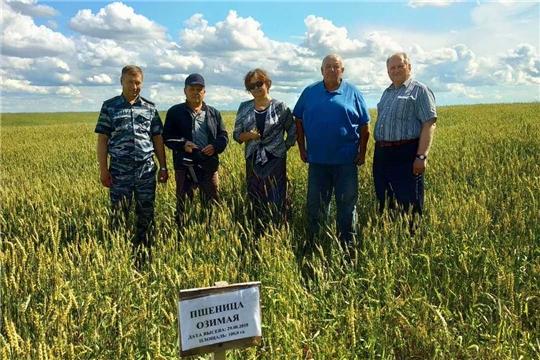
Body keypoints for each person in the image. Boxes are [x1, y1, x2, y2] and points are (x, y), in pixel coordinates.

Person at [293, 54, 370, 247]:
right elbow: (298, 121)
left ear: (342, 71)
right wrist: (302, 148)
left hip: (346, 162)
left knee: (346, 206)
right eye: (328, 66)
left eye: (336, 67)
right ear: (321, 70)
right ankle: (317, 244)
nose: (332, 70)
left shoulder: (353, 92)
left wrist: (362, 152)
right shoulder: (310, 92)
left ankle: (347, 246)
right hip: (318, 161)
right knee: (316, 205)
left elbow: (365, 126)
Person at [95, 65, 168, 266]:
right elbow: (102, 139)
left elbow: (157, 138)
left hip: (146, 170)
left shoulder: (149, 107)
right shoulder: (109, 107)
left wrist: (163, 167)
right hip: (119, 171)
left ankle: (145, 256)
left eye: (138, 83)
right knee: (118, 215)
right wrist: (104, 169)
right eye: (130, 82)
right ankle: (118, 258)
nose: (134, 86)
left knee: (146, 214)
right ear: (121, 82)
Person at [373, 52, 437, 225]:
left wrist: (421, 156)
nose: (395, 70)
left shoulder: (419, 90)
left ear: (409, 67)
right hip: (382, 154)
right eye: (391, 67)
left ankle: (413, 242)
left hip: (406, 153)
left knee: (410, 203)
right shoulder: (387, 92)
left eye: (400, 66)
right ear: (387, 71)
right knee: (385, 200)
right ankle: (391, 238)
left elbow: (429, 124)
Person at [233, 69, 297, 233]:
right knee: (255, 195)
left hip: (275, 160)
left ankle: (277, 230)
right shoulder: (244, 107)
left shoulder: (280, 107)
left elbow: (292, 130)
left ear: (267, 84)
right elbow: (236, 135)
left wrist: (282, 148)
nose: (255, 88)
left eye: (259, 84)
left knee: (276, 195)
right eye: (251, 86)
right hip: (253, 160)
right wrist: (248, 135)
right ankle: (257, 231)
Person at [162, 73, 228, 227]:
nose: (196, 92)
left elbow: (223, 136)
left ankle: (209, 233)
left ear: (204, 92)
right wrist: (183, 144)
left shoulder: (213, 113)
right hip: (184, 165)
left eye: (199, 89)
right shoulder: (175, 112)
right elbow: (167, 137)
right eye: (192, 89)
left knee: (211, 203)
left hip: (208, 164)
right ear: (185, 91)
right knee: (183, 203)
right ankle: (181, 234)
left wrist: (215, 146)